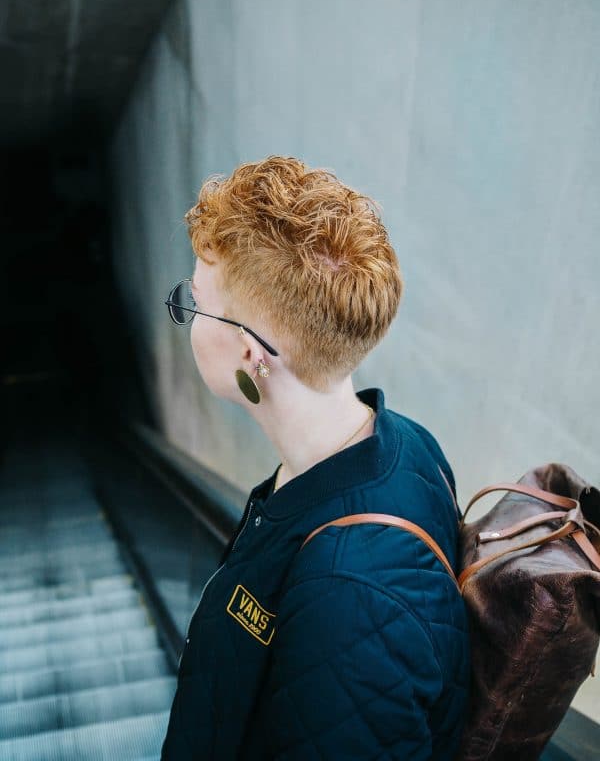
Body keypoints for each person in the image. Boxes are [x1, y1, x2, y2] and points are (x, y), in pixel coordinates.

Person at [160, 156, 470, 760]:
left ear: (252, 355)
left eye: (194, 302)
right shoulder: (403, 440)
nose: (188, 318)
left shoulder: (349, 601)